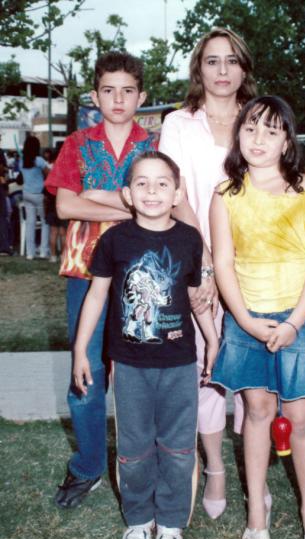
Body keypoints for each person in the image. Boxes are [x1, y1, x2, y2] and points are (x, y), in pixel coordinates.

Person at [210, 96, 305, 539]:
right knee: (258, 415)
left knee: (300, 419)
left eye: (270, 130)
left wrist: (294, 322)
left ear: (288, 140)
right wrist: (243, 319)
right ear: (237, 135)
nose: (259, 139)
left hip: (301, 319)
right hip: (248, 320)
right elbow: (223, 261)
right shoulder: (226, 195)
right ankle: (257, 516)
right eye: (250, 129)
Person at [73, 151, 218, 539]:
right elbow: (97, 295)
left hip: (179, 364)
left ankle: (171, 521)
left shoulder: (190, 239)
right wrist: (81, 350)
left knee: (177, 447)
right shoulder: (114, 240)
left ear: (176, 193)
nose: (152, 191)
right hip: (130, 365)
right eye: (142, 183)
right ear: (127, 194)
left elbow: (196, 299)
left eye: (161, 183)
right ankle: (139, 518)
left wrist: (213, 343)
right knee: (134, 447)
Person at [45, 51, 157, 509]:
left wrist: (99, 197)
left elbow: (161, 205)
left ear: (141, 97)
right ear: (95, 95)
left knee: (138, 373)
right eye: (108, 90)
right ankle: (89, 465)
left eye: (127, 91)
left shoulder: (151, 147)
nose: (117, 99)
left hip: (141, 274)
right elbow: (67, 207)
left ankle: (139, 466)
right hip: (85, 271)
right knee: (85, 371)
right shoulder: (77, 143)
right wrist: (128, 205)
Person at [159, 27, 257, 519]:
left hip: (254, 263)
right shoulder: (179, 123)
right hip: (195, 261)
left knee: (255, 374)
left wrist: (233, 264)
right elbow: (176, 193)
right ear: (199, 69)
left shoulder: (258, 121)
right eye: (212, 61)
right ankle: (216, 468)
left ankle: (256, 474)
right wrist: (208, 263)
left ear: (244, 68)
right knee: (205, 370)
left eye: (231, 61)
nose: (222, 71)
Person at [20, 136, 50, 259]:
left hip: (26, 193)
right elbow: (49, 175)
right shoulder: (39, 160)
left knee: (30, 223)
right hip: (39, 194)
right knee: (45, 222)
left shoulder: (22, 160)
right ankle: (43, 251)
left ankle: (30, 253)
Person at [43, 148, 68, 262]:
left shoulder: (50, 174)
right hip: (63, 205)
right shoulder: (66, 173)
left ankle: (53, 256)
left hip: (51, 206)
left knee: (53, 232)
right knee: (63, 233)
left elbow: (45, 193)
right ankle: (63, 256)